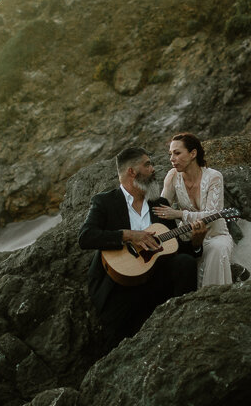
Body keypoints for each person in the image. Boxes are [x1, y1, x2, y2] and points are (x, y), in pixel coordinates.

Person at [78, 146, 207, 344]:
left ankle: (185, 323)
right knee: (117, 340)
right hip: (119, 286)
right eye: (147, 164)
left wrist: (196, 243)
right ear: (132, 171)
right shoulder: (105, 202)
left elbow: (175, 248)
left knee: (185, 263)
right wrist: (128, 235)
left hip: (156, 279)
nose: (153, 169)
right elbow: (86, 237)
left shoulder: (159, 203)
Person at [154, 132, 235, 287]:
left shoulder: (214, 177)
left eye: (177, 153)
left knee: (218, 248)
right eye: (170, 154)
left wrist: (179, 214)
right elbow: (162, 207)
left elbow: (214, 214)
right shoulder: (172, 176)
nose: (172, 159)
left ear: (193, 154)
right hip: (186, 238)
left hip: (215, 234)